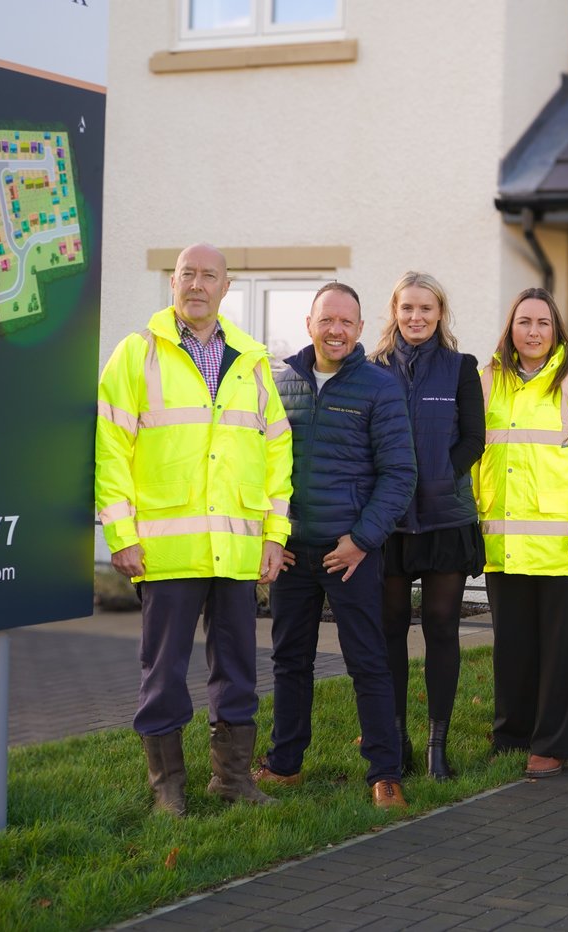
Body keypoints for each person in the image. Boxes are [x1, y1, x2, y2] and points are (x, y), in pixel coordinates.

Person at [95, 243, 292, 816]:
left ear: (226, 287)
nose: (198, 284)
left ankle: (232, 780)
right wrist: (121, 534)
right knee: (164, 673)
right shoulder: (137, 354)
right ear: (173, 283)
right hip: (166, 549)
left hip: (236, 549)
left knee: (238, 670)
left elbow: (277, 453)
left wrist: (274, 536)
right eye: (188, 274)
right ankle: (168, 789)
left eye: (209, 276)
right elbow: (111, 448)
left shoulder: (251, 360)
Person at [252, 282, 416, 811]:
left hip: (350, 553)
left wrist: (361, 540)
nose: (336, 330)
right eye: (327, 320)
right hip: (293, 553)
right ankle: (285, 763)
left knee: (367, 661)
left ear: (360, 329)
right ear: (310, 324)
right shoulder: (281, 383)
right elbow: (258, 467)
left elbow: (399, 474)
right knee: (289, 660)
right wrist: (273, 534)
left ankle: (385, 773)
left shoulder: (379, 387)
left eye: (346, 321)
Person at [477, 288, 568, 778]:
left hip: (563, 542)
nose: (533, 331)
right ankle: (512, 734)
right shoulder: (488, 381)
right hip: (504, 542)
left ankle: (554, 742)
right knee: (512, 646)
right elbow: (474, 459)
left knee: (560, 652)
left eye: (543, 322)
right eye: (524, 322)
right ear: (511, 328)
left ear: (556, 330)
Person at [366, 271, 484, 782]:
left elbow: (474, 440)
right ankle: (397, 743)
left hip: (445, 520)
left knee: (441, 627)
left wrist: (436, 477)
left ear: (440, 314)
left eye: (426, 309)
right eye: (407, 308)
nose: (416, 317)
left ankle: (438, 747)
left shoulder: (460, 368)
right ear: (395, 311)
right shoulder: (371, 370)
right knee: (390, 629)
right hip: (389, 523)